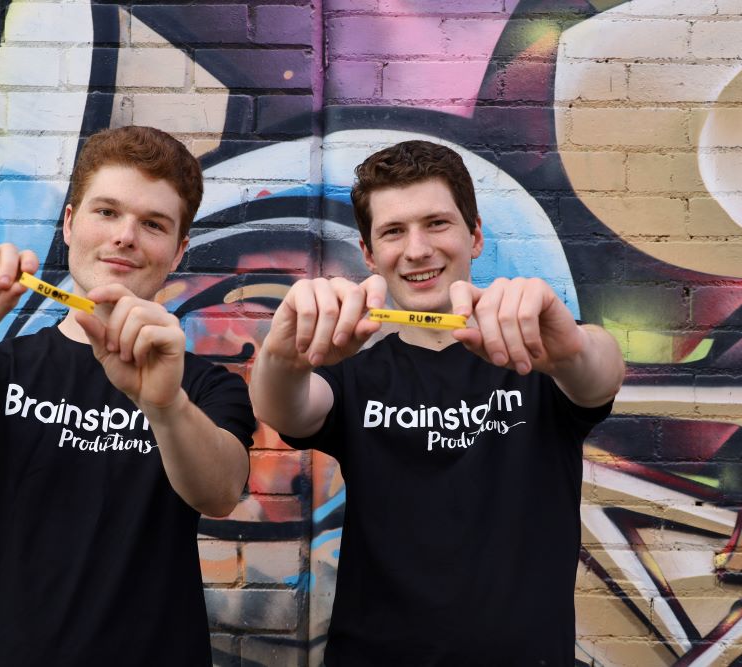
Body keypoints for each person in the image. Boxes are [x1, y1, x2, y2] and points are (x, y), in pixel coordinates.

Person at [0, 126, 254, 666]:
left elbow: (220, 491)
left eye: (152, 224)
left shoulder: (205, 386)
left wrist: (165, 405)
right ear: (69, 223)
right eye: (106, 212)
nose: (125, 236)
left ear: (179, 251)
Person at [249, 140, 625, 666]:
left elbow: (599, 373)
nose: (417, 249)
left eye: (437, 224)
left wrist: (569, 347)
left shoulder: (539, 358)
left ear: (474, 237)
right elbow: (282, 406)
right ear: (369, 254)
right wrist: (285, 351)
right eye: (394, 232)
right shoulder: (352, 376)